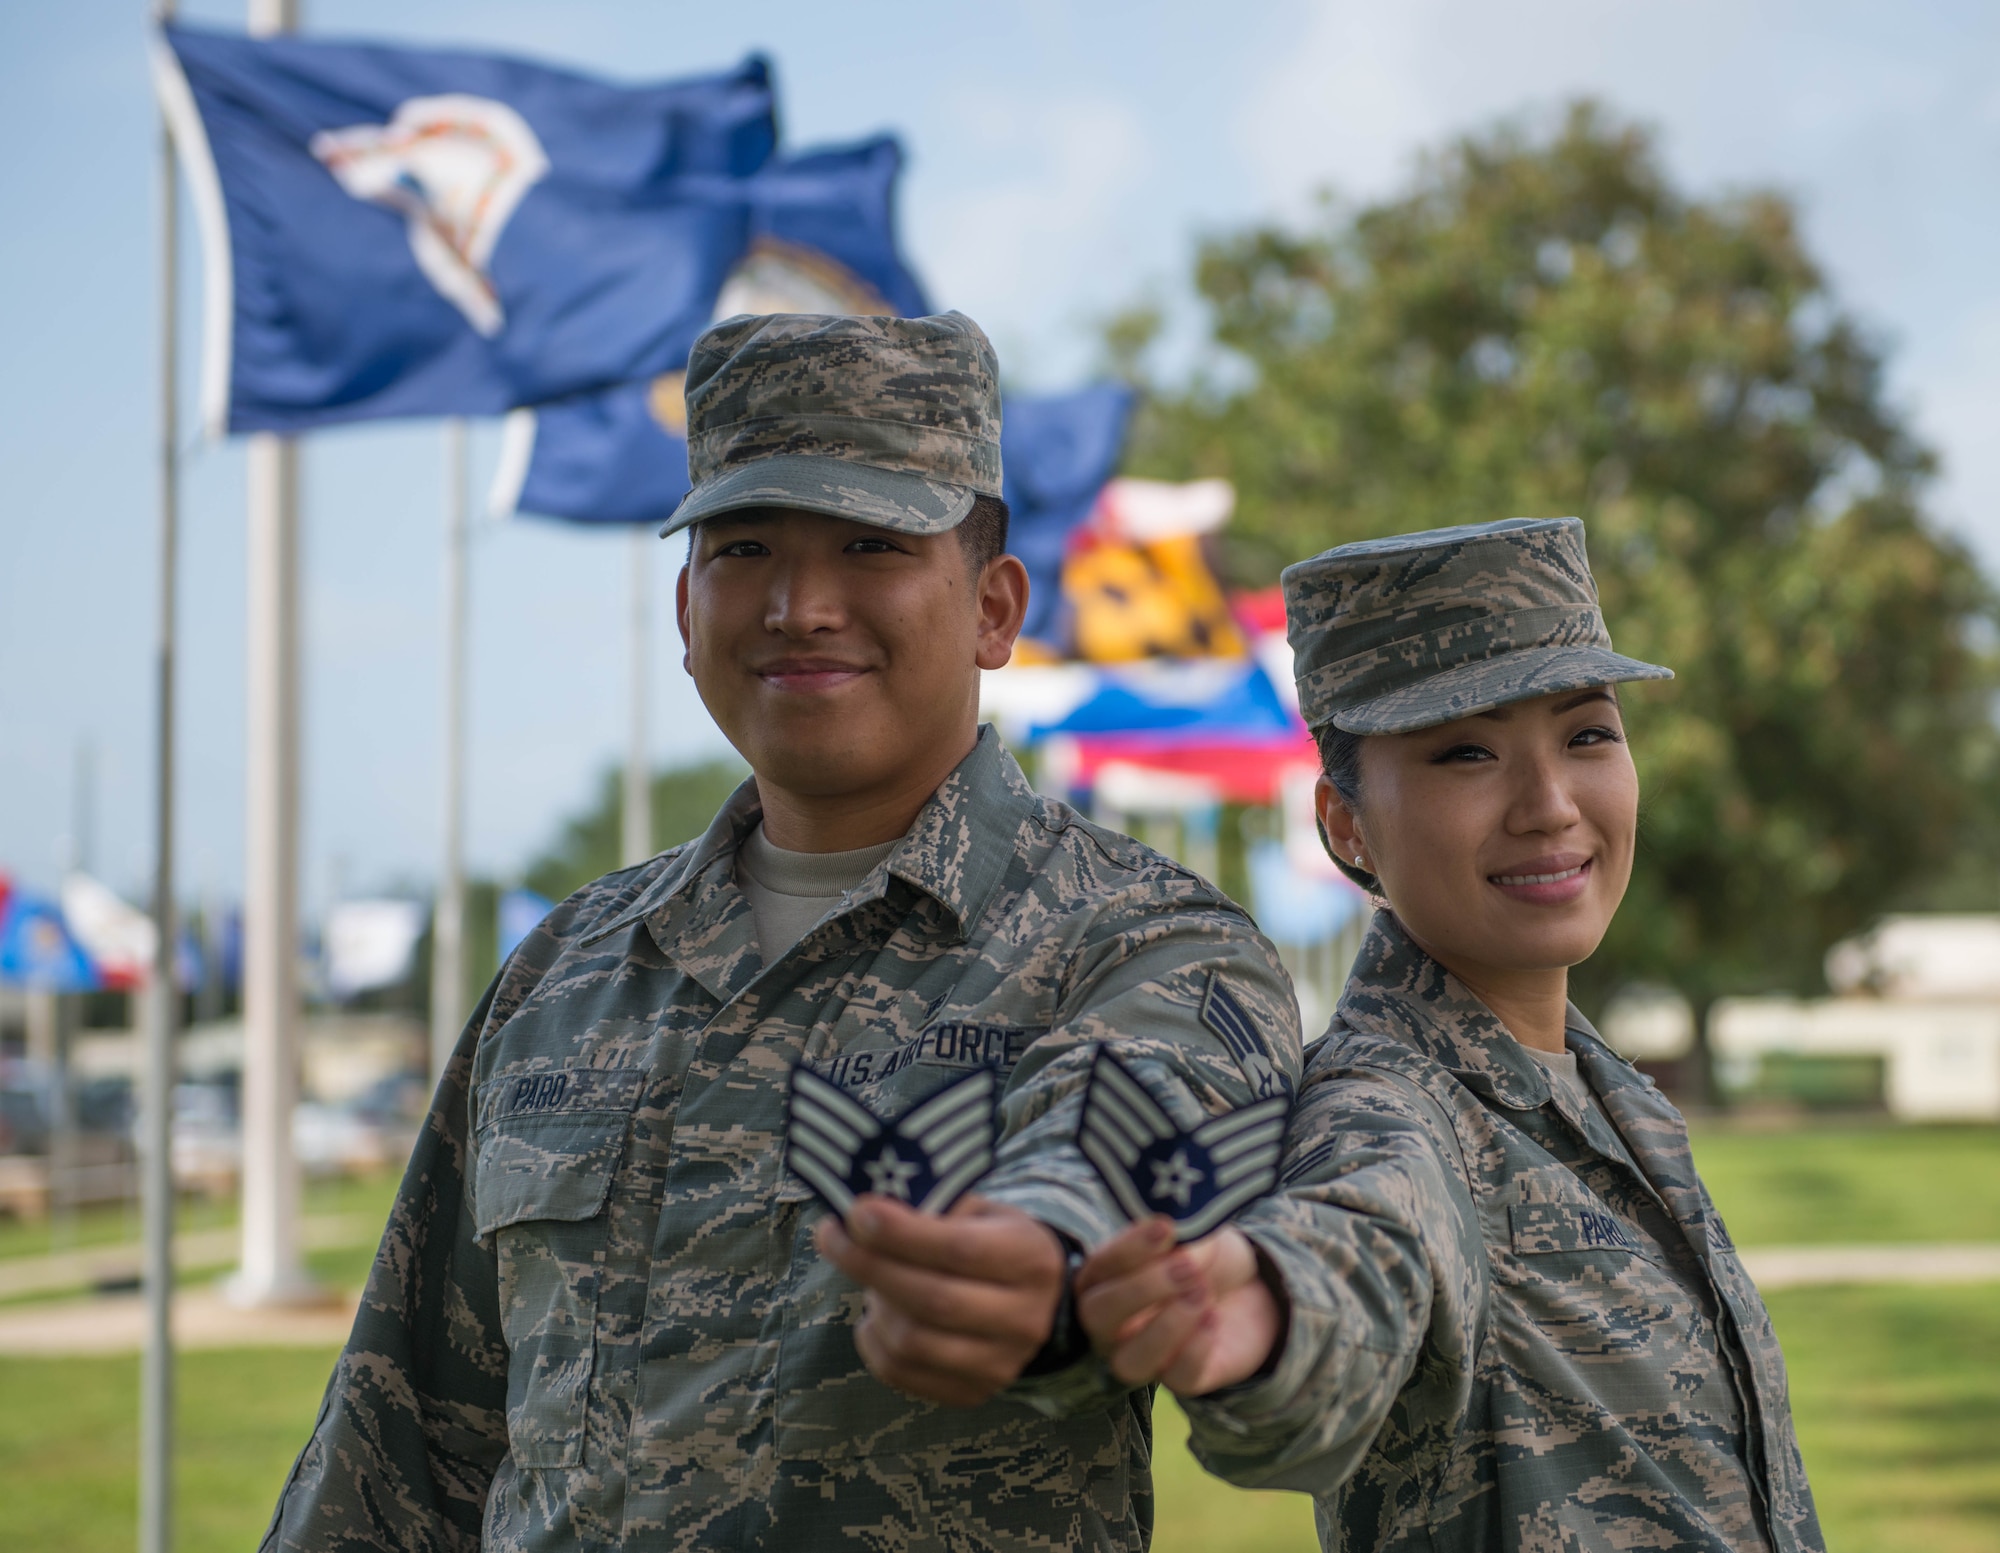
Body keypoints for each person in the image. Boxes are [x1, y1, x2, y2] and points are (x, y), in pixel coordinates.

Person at [257, 310, 1301, 1553]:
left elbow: (1128, 1143)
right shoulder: (568, 967)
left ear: (993, 606)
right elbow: (405, 1430)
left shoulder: (1140, 941)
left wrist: (1045, 1267)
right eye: (746, 546)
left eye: (870, 544)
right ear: (688, 603)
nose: (802, 605)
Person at [1071, 518, 1824, 1553]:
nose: (1549, 805)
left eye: (1586, 733)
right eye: (1464, 751)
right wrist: (1265, 1318)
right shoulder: (1389, 1104)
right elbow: (1363, 1231)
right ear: (1343, 824)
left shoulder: (1609, 1092)